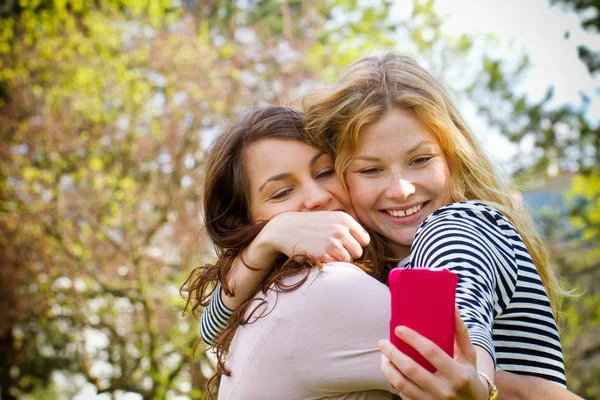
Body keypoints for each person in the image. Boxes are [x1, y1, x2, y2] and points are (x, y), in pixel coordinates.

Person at [198, 54, 577, 399]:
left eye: (421, 160)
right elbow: (208, 329)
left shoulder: (451, 228)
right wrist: (267, 242)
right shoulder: (378, 263)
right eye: (371, 169)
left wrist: (477, 381)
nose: (401, 189)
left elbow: (462, 308)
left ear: (453, 157)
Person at [181, 105, 399, 399]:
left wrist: (264, 242)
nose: (317, 198)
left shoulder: (275, 294)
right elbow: (469, 369)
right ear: (245, 220)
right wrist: (270, 237)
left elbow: (209, 330)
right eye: (282, 193)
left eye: (324, 172)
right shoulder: (327, 288)